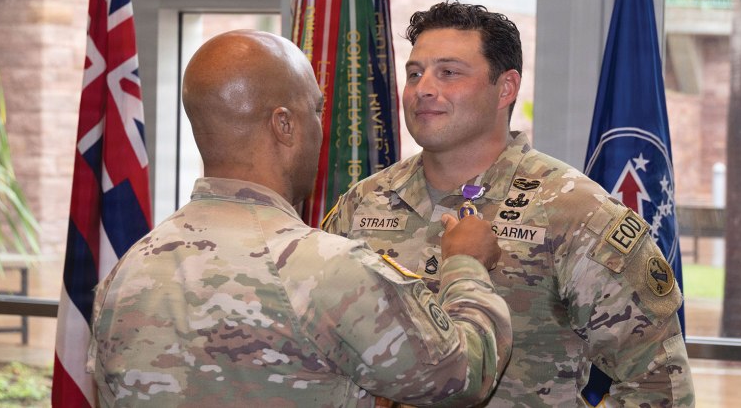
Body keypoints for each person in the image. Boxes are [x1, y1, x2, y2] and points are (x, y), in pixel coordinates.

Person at [88, 29, 513, 407]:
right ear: (284, 126)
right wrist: (467, 266)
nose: (320, 126)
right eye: (316, 109)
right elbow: (463, 376)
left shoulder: (125, 275)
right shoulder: (328, 270)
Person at [323, 0, 695, 406]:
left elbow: (657, 381)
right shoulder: (363, 203)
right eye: (414, 73)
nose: (423, 87)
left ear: (505, 88)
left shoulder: (574, 212)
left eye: (448, 72)